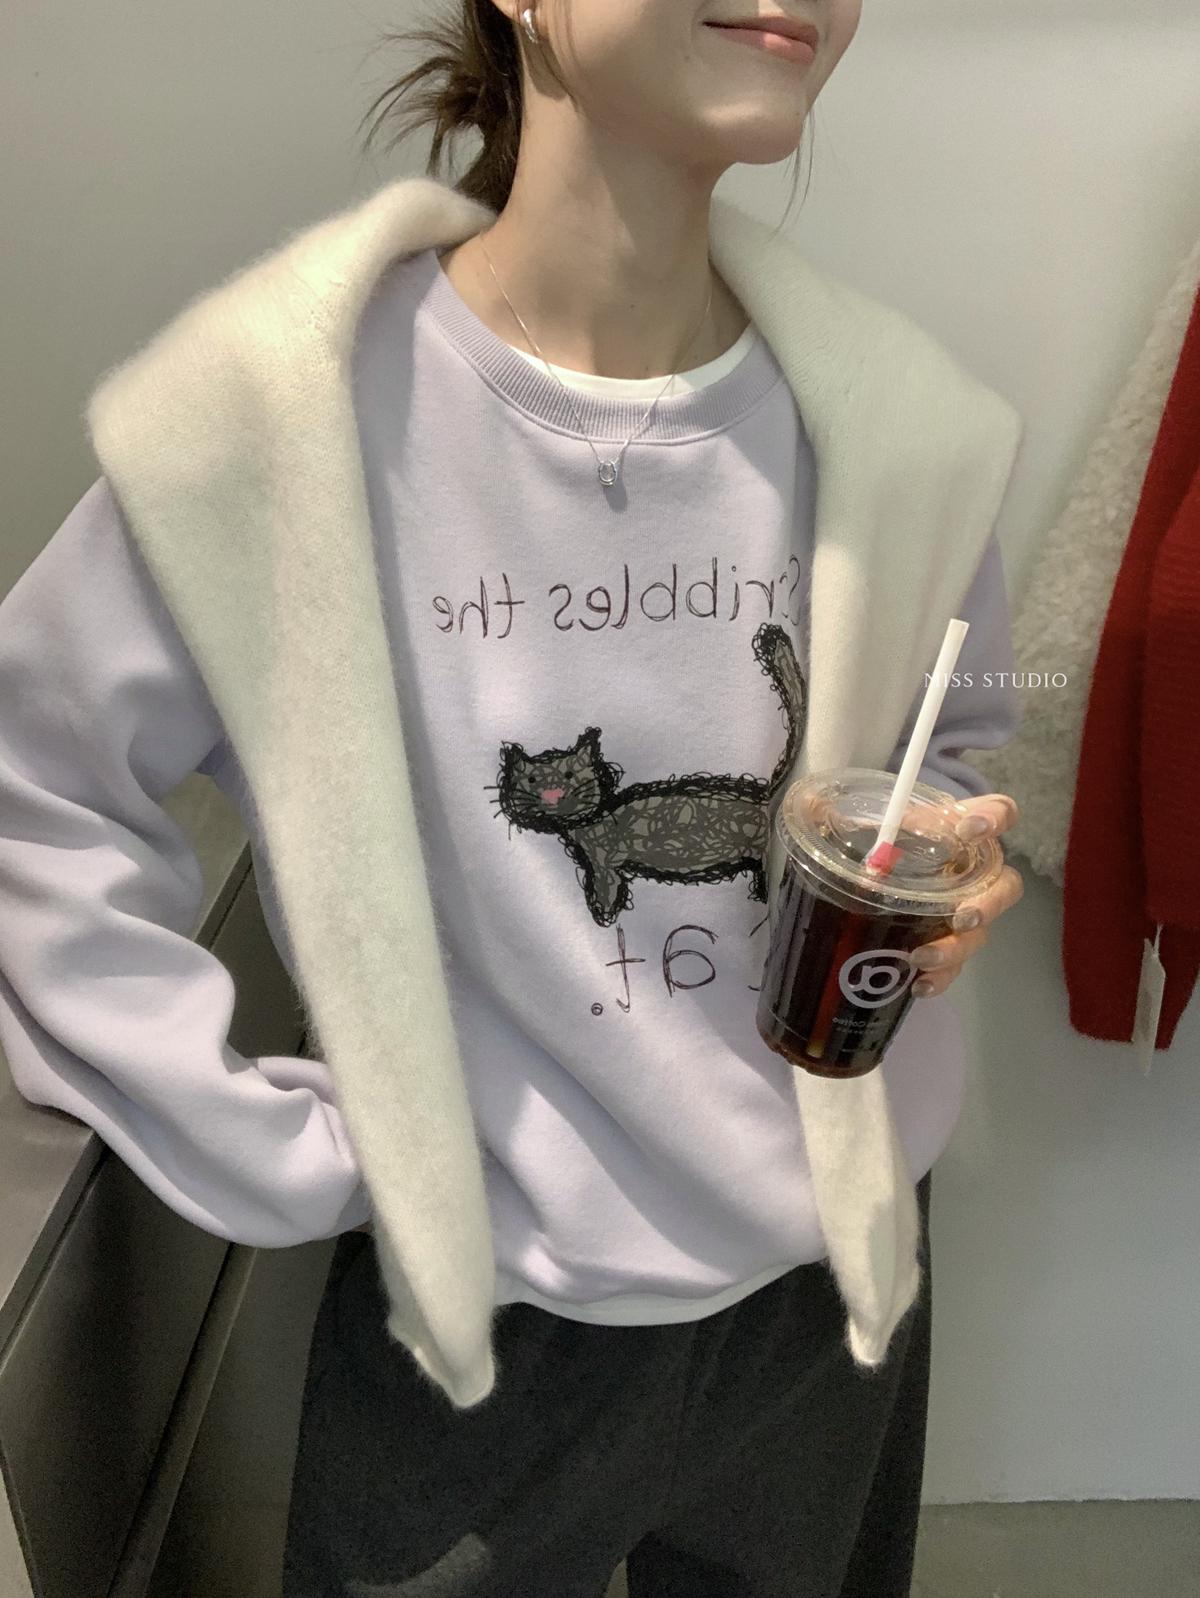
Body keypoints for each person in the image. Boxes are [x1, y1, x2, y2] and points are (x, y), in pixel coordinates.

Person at [0, 1, 1026, 1593]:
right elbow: (33, 795)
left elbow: (948, 744)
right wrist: (289, 1147)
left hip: (835, 1300)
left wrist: (942, 846)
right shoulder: (279, 421)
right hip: (484, 1332)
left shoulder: (897, 429)